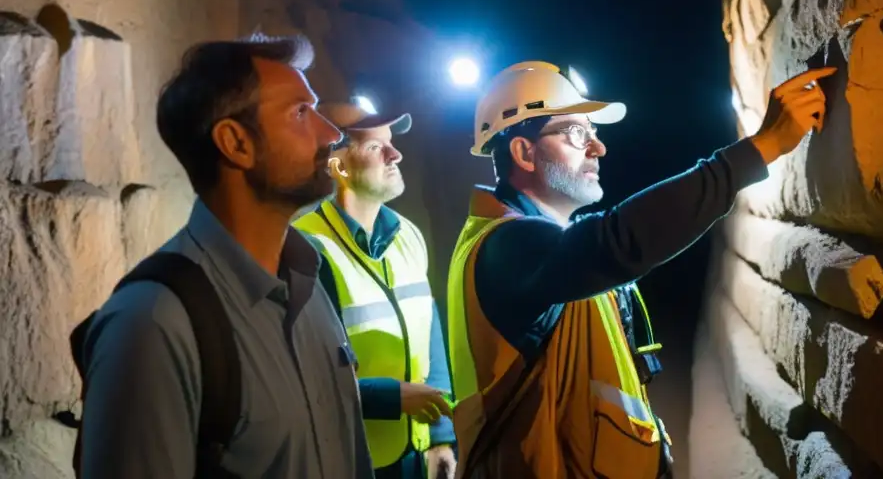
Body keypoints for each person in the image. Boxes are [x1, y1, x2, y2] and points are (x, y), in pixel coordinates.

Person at [446, 60, 835, 479]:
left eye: (595, 133)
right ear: (524, 152)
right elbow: (617, 241)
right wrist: (757, 151)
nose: (598, 148)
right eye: (577, 132)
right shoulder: (506, 249)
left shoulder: (549, 241)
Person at [75, 34, 375, 479]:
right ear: (236, 143)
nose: (331, 135)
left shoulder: (309, 289)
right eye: (300, 113)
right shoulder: (153, 323)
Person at [293, 99, 458, 479]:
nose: (395, 154)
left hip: (414, 455)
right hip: (350, 460)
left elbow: (428, 331)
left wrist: (440, 437)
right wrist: (391, 398)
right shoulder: (307, 249)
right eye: (374, 146)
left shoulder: (408, 234)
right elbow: (304, 374)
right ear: (336, 165)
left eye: (391, 142)